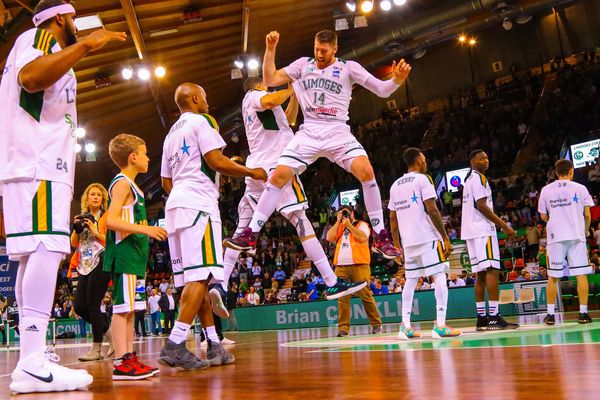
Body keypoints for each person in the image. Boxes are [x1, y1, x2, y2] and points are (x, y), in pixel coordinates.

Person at [0, 0, 126, 393]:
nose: (76, 25)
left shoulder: (44, 46)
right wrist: (88, 45)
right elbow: (31, 78)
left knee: (33, 254)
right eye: (72, 18)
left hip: (34, 165)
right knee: (44, 251)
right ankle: (32, 360)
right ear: (59, 18)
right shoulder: (38, 38)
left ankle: (30, 357)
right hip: (38, 164)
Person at [224, 29, 411, 283]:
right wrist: (270, 49)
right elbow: (269, 78)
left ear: (335, 49)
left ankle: (380, 234)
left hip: (337, 131)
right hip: (309, 132)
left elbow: (382, 90)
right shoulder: (303, 65)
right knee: (278, 175)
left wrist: (396, 80)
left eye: (324, 50)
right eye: (316, 49)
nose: (319, 54)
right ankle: (250, 233)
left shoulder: (349, 68)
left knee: (366, 172)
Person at [221, 77, 365, 301]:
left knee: (242, 229)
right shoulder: (256, 96)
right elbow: (269, 100)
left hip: (257, 169)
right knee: (302, 222)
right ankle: (331, 281)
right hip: (277, 168)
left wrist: (295, 95)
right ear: (260, 85)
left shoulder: (257, 106)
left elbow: (286, 120)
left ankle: (220, 284)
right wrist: (291, 88)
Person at [158, 83, 264, 370]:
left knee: (197, 279)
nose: (207, 102)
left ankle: (215, 344)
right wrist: (251, 171)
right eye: (204, 97)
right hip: (199, 206)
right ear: (194, 99)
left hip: (176, 207)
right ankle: (175, 344)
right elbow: (215, 160)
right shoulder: (202, 121)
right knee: (201, 276)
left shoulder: (170, 135)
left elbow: (166, 183)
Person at [103, 133, 168, 380]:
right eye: (144, 153)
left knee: (130, 309)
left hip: (135, 257)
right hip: (125, 254)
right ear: (133, 157)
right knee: (122, 309)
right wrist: (147, 229)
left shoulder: (134, 186)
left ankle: (129, 357)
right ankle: (121, 361)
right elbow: (110, 220)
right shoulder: (121, 183)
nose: (148, 157)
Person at [389, 148, 460, 339]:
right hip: (427, 237)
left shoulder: (395, 185)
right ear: (419, 160)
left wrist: (397, 246)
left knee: (410, 281)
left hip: (408, 242)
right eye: (425, 159)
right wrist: (445, 237)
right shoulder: (423, 179)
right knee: (440, 276)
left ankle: (405, 326)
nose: (426, 162)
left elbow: (393, 220)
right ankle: (440, 325)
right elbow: (432, 209)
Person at [461, 150, 518, 331]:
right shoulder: (479, 179)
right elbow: (481, 205)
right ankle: (494, 316)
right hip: (483, 230)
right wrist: (504, 226)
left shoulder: (468, 180)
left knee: (480, 274)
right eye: (481, 158)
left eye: (487, 157)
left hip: (470, 232)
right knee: (493, 270)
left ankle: (481, 318)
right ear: (472, 162)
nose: (486, 160)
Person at [538, 159, 594, 325]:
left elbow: (543, 216)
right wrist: (585, 231)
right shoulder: (580, 188)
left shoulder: (546, 190)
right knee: (580, 275)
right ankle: (583, 314)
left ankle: (550, 315)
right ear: (571, 171)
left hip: (555, 238)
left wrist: (554, 221)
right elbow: (588, 215)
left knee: (553, 277)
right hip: (576, 237)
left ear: (556, 172)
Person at [71, 183, 113, 362]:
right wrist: (76, 227)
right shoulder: (81, 217)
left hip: (102, 261)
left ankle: (96, 349)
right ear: (86, 198)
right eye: (92, 194)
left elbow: (111, 241)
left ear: (103, 199)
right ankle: (111, 335)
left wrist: (95, 231)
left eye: (98, 195)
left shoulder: (108, 216)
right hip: (84, 263)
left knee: (93, 305)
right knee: (80, 307)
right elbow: (74, 243)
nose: (95, 197)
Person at [325, 205, 382, 336]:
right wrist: (337, 222)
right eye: (340, 213)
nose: (343, 215)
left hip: (359, 265)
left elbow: (362, 237)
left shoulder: (362, 224)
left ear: (352, 213)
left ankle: (376, 324)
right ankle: (343, 328)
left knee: (365, 295)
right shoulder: (339, 226)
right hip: (341, 267)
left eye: (345, 213)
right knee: (342, 298)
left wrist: (349, 225)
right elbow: (329, 237)